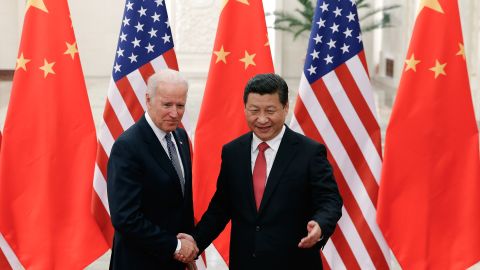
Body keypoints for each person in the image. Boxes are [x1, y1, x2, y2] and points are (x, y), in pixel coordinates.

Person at [185, 73, 342, 269]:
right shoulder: (233, 152)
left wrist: (320, 225)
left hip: (294, 262)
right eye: (254, 110)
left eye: (270, 110)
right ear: (244, 109)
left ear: (285, 108)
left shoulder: (309, 152)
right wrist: (194, 244)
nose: (262, 119)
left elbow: (330, 200)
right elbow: (221, 208)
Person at [107, 69, 198, 270]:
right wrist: (176, 246)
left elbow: (181, 202)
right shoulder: (128, 146)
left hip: (175, 263)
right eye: (167, 105)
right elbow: (125, 217)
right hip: (138, 263)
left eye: (180, 105)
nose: (175, 113)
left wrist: (187, 251)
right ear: (148, 100)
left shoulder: (181, 138)